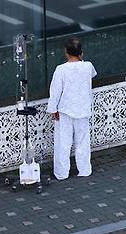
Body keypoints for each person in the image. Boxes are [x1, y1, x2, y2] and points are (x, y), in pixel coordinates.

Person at [47, 38, 97, 180]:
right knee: (82, 142)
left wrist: (53, 109)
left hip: (65, 110)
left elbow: (55, 91)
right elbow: (92, 74)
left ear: (66, 53)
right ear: (81, 52)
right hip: (83, 108)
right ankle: (84, 170)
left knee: (63, 143)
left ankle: (62, 173)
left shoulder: (61, 69)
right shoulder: (88, 66)